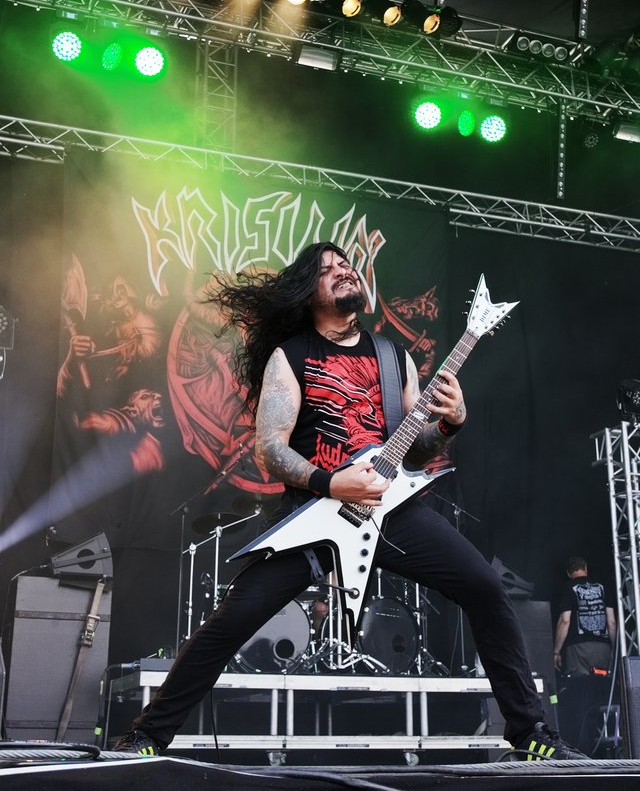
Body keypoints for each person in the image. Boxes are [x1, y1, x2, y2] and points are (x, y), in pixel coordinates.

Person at [114, 242, 585, 760]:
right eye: (327, 269)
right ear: (306, 291)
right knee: (232, 620)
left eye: (346, 264)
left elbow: (414, 447)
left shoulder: (392, 356)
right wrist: (331, 483)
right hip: (314, 514)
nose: (343, 270)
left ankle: (529, 731)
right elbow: (269, 448)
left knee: (486, 588)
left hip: (392, 513)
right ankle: (147, 735)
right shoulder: (291, 356)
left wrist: (450, 424)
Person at [554, 556, 617, 676]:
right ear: (585, 568)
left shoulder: (568, 587)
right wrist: (614, 648)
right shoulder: (603, 587)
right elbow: (612, 622)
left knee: (580, 683)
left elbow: (565, 621)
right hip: (603, 647)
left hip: (577, 647)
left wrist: (556, 651)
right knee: (602, 682)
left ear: (568, 573)